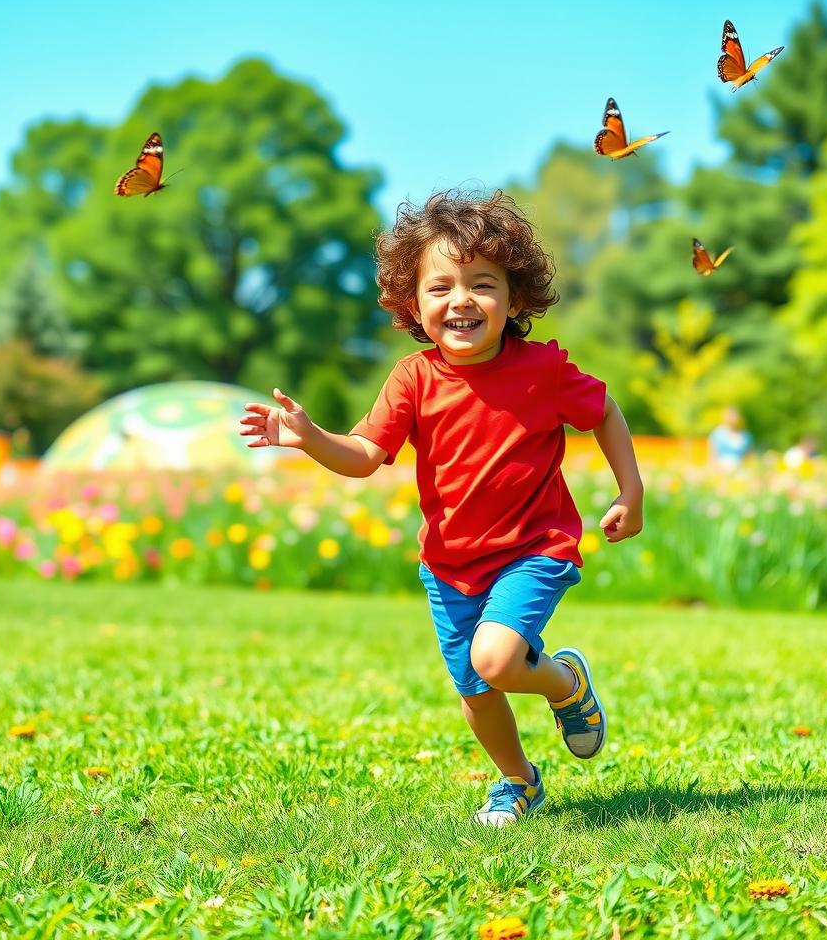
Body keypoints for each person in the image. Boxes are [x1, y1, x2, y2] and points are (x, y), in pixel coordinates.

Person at [238, 190, 643, 826]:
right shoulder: (412, 378)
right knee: (477, 692)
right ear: (413, 304)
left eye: (482, 284)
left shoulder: (542, 370)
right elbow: (365, 455)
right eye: (440, 287)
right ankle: (519, 780)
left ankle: (565, 685)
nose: (461, 300)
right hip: (450, 564)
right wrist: (311, 438)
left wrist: (630, 490)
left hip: (535, 548)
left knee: (497, 659)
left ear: (514, 299)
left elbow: (605, 411)